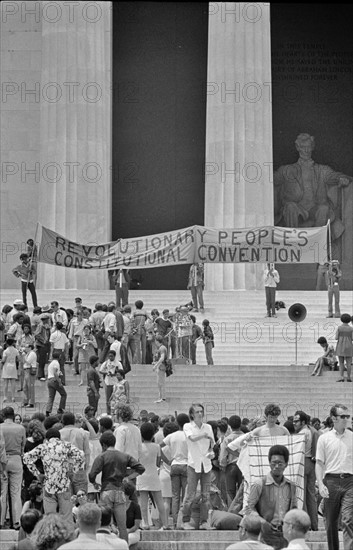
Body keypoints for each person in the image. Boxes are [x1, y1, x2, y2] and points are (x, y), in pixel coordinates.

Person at [274, 133, 352, 241]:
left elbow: (334, 176)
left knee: (324, 208)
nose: (306, 151)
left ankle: (318, 243)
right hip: (297, 209)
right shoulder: (286, 170)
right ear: (298, 148)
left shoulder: (322, 170)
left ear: (312, 147)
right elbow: (271, 179)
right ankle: (292, 244)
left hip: (314, 209)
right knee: (290, 207)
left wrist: (342, 179)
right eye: (303, 147)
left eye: (308, 147)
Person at [89, 431, 145, 543]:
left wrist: (94, 483)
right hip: (120, 492)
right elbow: (141, 468)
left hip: (106, 491)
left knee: (104, 525)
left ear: (103, 445)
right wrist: (128, 478)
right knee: (122, 527)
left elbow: (91, 474)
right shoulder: (125, 456)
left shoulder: (102, 456)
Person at [23, 428, 85, 527]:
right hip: (64, 486)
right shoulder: (66, 445)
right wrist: (74, 470)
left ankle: (51, 539)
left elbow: (26, 457)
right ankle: (67, 540)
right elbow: (81, 455)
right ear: (59, 437)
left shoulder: (43, 447)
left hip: (49, 486)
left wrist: (38, 474)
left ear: (47, 438)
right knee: (66, 518)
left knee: (49, 519)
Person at [244, 445, 297, 550]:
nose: (276, 466)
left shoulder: (291, 486)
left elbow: (294, 507)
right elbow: (249, 508)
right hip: (265, 534)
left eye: (280, 463)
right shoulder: (259, 484)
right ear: (269, 463)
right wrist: (262, 521)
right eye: (273, 463)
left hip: (285, 535)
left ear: (286, 464)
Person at [315, 403, 353, 550]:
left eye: (347, 416)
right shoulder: (324, 438)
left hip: (350, 481)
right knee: (330, 522)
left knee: (348, 519)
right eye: (342, 416)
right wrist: (320, 483)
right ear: (333, 418)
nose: (346, 419)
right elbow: (319, 463)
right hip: (330, 481)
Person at [182, 403, 215, 530]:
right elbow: (192, 438)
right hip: (193, 464)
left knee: (206, 495)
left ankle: (204, 522)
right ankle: (185, 521)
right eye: (197, 412)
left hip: (206, 464)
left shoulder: (208, 427)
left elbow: (211, 444)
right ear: (192, 414)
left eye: (201, 411)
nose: (200, 414)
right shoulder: (187, 426)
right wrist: (204, 435)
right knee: (190, 495)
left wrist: (212, 453)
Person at [136, 422, 169, 530]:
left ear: (141, 434)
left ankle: (145, 523)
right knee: (159, 500)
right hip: (154, 474)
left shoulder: (139, 447)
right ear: (153, 435)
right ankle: (165, 524)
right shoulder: (157, 447)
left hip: (141, 475)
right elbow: (158, 462)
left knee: (143, 502)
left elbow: (136, 461)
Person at [160, 412, 189, 528]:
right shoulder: (189, 435)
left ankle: (176, 522)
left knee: (175, 496)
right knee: (185, 496)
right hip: (186, 465)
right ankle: (183, 521)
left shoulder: (172, 436)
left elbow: (159, 446)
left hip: (174, 465)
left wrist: (167, 460)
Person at [0, 406, 26, 529]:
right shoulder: (21, 428)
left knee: (2, 492)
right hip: (16, 459)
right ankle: (17, 521)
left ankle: (1, 520)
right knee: (16, 493)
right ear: (13, 415)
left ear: (3, 416)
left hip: (2, 461)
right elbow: (23, 446)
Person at [292, 411, 318, 531]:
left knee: (302, 495)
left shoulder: (301, 433)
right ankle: (314, 524)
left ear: (303, 422)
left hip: (303, 462)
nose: (294, 423)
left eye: (297, 421)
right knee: (311, 495)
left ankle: (305, 524)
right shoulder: (311, 430)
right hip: (311, 463)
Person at [60, 411, 90, 494]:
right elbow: (87, 452)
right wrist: (86, 467)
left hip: (64, 468)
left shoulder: (59, 433)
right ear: (74, 421)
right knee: (81, 496)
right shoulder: (82, 433)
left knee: (67, 499)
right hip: (79, 467)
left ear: (62, 421)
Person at [219, 415, 244, 506]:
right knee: (243, 491)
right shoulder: (245, 437)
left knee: (230, 491)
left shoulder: (227, 439)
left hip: (231, 466)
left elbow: (223, 455)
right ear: (240, 424)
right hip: (243, 466)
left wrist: (223, 465)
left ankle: (231, 512)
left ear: (229, 425)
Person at [45, 350, 67, 416]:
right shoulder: (56, 363)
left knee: (51, 396)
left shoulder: (51, 363)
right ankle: (61, 409)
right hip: (54, 380)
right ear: (59, 356)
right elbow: (55, 372)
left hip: (49, 380)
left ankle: (48, 411)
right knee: (64, 394)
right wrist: (59, 382)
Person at [49, 321, 69, 385]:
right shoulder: (63, 335)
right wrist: (66, 353)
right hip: (62, 351)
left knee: (55, 367)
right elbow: (66, 344)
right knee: (62, 367)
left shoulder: (53, 334)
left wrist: (51, 353)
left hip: (55, 351)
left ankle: (56, 380)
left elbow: (52, 345)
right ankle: (62, 380)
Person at [335, 313, 353, 382]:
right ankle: (349, 377)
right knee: (348, 363)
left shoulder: (339, 328)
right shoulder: (351, 329)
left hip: (340, 346)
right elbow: (352, 338)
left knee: (341, 362)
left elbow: (336, 338)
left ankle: (341, 377)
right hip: (349, 346)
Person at [0, 338, 19, 402]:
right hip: (13, 366)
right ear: (13, 343)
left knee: (5, 383)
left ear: (7, 343)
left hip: (6, 366)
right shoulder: (16, 350)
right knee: (13, 383)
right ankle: (13, 397)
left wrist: (1, 366)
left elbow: (3, 360)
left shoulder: (5, 351)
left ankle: (5, 397)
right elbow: (18, 359)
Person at [153, 335, 168, 403]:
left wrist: (156, 365)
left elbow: (162, 358)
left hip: (161, 367)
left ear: (157, 341)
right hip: (161, 367)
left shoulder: (162, 348)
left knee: (160, 382)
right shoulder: (162, 348)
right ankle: (161, 397)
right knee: (159, 382)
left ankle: (162, 397)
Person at [22, 343, 37, 407]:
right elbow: (23, 362)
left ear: (30, 348)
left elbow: (28, 362)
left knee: (30, 387)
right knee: (25, 387)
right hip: (26, 371)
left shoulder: (32, 353)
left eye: (26, 347)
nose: (25, 348)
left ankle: (31, 402)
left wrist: (23, 356)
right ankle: (26, 401)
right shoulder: (27, 354)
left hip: (30, 371)